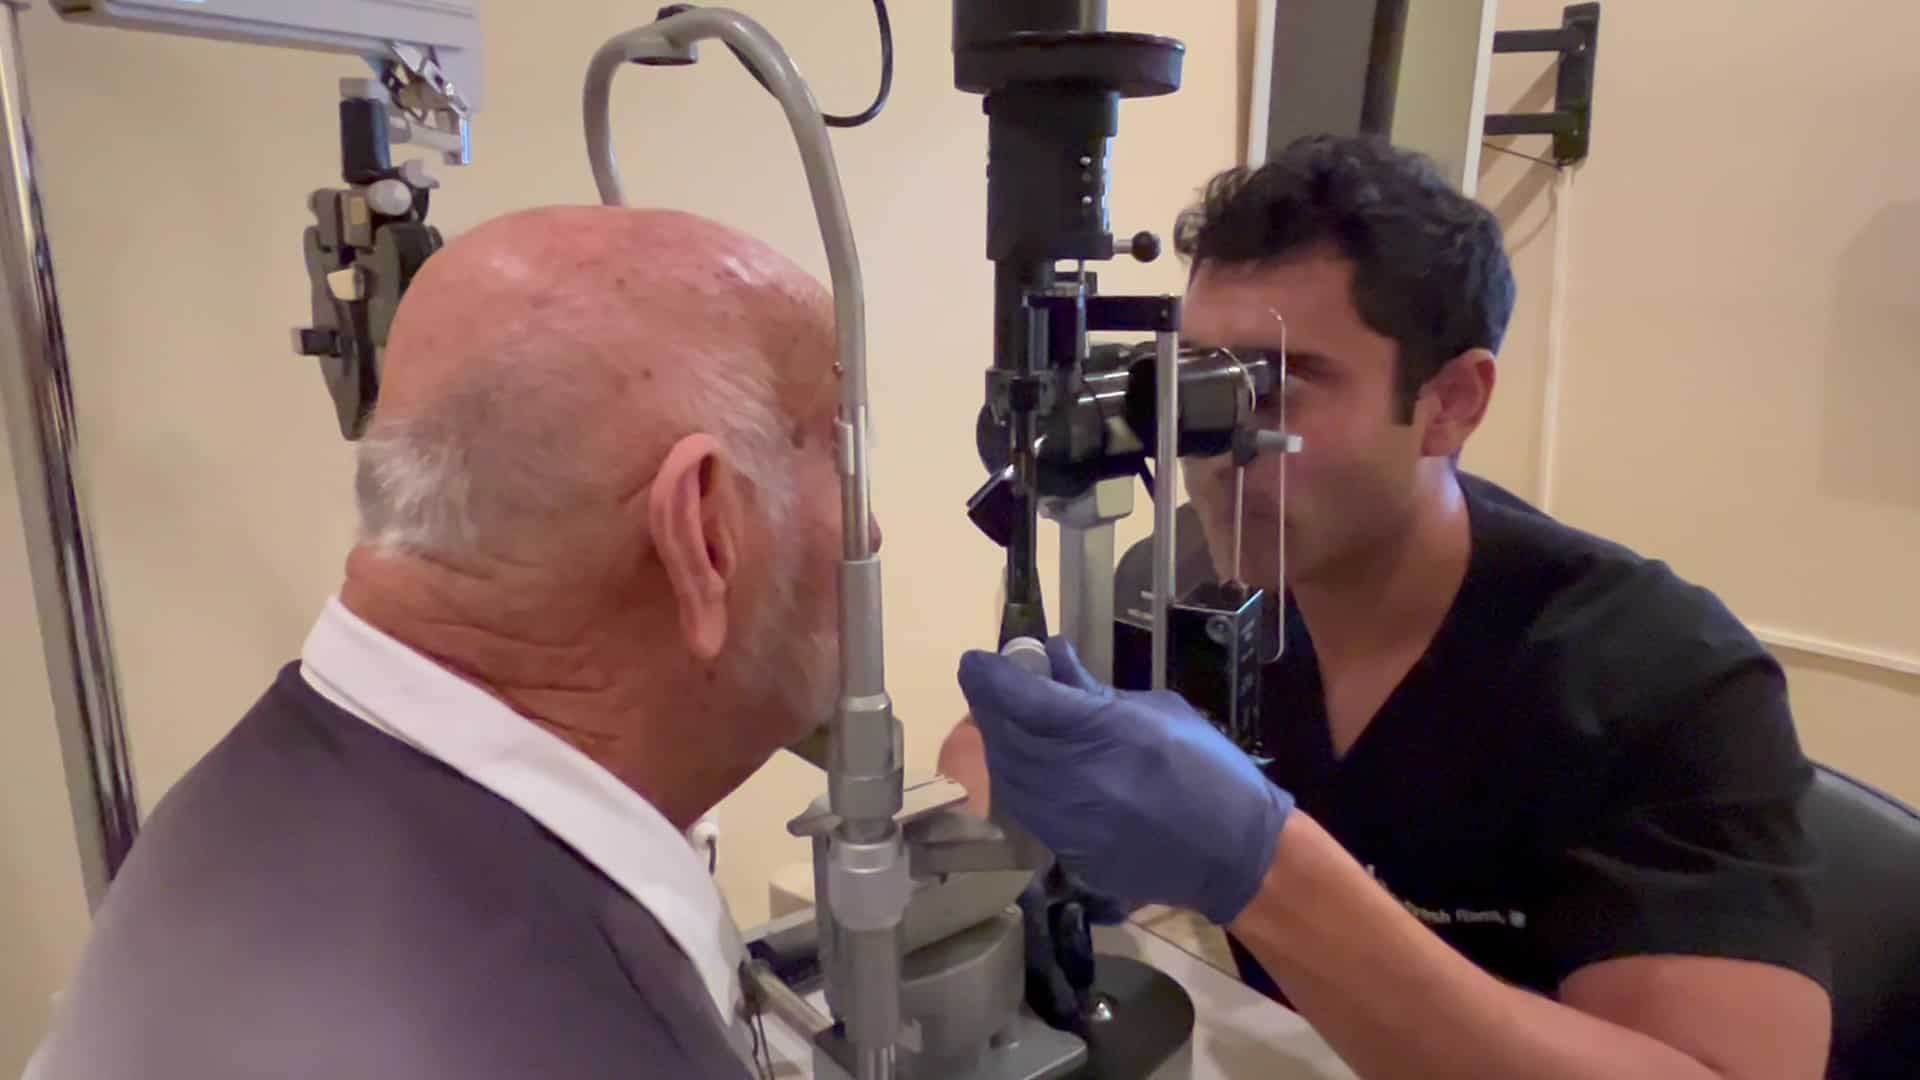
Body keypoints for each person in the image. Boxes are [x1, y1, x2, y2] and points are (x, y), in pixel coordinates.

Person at [943, 135, 1833, 1079]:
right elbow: (994, 757)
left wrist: (1265, 867)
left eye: (1274, 385)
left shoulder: (1660, 677)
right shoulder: (1187, 587)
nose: (1208, 447)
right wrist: (1038, 820)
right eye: (1194, 379)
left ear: (1450, 403)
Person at [28, 206, 866, 1079]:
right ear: (705, 534)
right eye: (841, 449)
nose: (870, 525)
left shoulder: (239, 808)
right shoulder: (590, 1045)